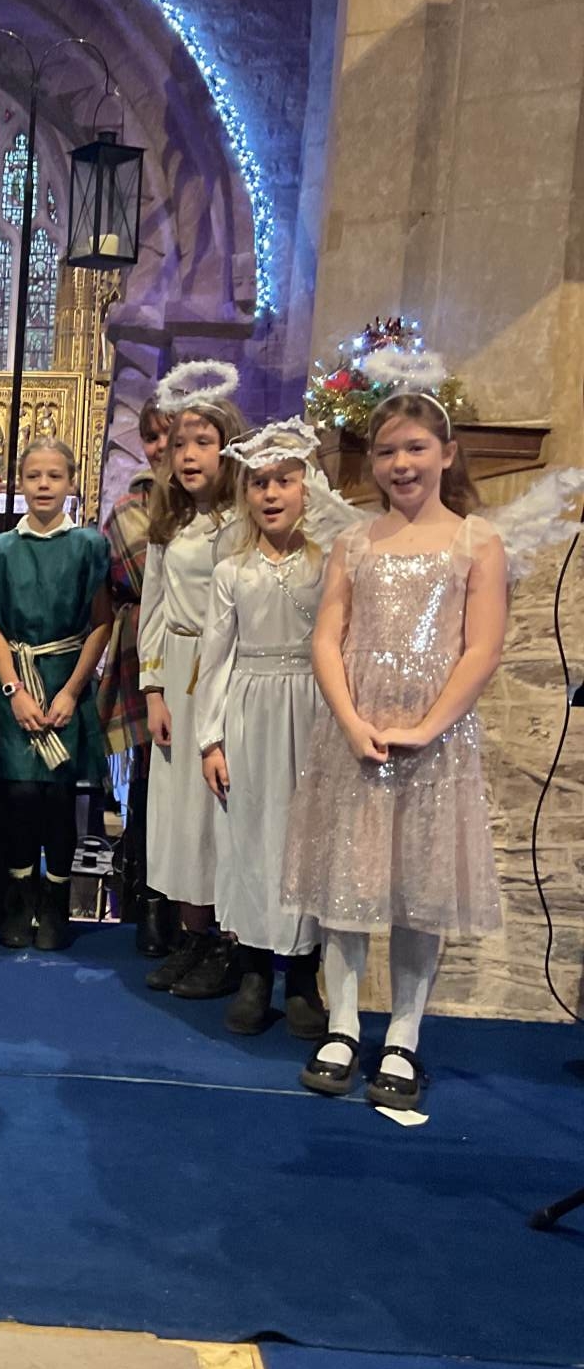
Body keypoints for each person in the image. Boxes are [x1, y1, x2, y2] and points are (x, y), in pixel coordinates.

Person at [282, 377, 507, 1109]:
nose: (400, 464)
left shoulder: (477, 541)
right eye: (385, 452)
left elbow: (482, 648)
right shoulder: (354, 542)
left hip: (434, 740)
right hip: (357, 731)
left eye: (415, 448)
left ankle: (404, 1035)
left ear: (447, 453)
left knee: (420, 890)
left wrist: (427, 726)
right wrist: (352, 721)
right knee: (346, 885)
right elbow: (327, 638)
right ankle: (343, 1026)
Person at [195, 419, 329, 1038]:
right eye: (259, 484)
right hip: (249, 711)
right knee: (249, 838)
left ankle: (302, 977)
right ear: (245, 494)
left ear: (308, 488)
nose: (271, 494)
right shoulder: (233, 571)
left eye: (284, 481)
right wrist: (211, 739)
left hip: (311, 708)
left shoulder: (327, 565)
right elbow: (216, 657)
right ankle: (253, 972)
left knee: (304, 840)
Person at [0, 437, 112, 952]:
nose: (44, 486)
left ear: (71, 482)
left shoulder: (89, 547)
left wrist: (72, 691)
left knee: (57, 797)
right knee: (19, 795)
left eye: (55, 476)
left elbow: (102, 621)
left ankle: (54, 905)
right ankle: (19, 900)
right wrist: (13, 690)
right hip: (20, 685)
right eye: (34, 476)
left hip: (65, 681)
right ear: (21, 482)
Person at [138, 362, 246, 1000]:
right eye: (179, 444)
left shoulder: (244, 520)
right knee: (178, 813)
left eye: (202, 442)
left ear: (228, 448)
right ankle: (193, 935)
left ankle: (232, 941)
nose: (187, 455)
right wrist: (153, 690)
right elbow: (153, 607)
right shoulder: (171, 523)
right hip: (177, 671)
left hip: (225, 670)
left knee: (217, 811)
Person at [97, 400, 174, 954]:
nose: (163, 447)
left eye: (173, 434)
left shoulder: (225, 505)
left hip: (216, 660)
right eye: (152, 437)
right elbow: (158, 585)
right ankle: (150, 902)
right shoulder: (132, 508)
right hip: (151, 654)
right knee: (152, 780)